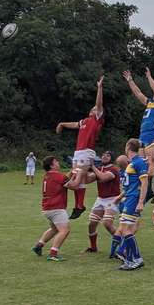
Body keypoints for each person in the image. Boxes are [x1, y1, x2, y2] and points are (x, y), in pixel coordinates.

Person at [55, 75, 105, 218]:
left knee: (76, 176)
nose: (95, 109)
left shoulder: (97, 120)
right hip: (78, 152)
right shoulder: (84, 121)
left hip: (86, 151)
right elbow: (75, 124)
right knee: (80, 178)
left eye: (97, 109)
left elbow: (99, 103)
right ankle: (79, 205)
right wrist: (63, 124)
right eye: (94, 108)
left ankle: (96, 176)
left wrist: (99, 88)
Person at [122, 67, 154, 191]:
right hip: (142, 135)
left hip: (152, 135)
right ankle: (146, 189)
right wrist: (130, 80)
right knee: (142, 163)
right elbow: (138, 93)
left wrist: (149, 76)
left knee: (152, 163)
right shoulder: (150, 103)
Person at [31, 156, 82, 261]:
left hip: (47, 208)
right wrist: (80, 173)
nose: (58, 162)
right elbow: (75, 186)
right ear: (52, 165)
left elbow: (63, 181)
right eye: (56, 161)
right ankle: (53, 253)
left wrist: (72, 172)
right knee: (65, 230)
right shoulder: (58, 176)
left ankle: (38, 246)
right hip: (56, 208)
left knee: (54, 229)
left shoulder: (49, 175)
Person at [114, 139, 149, 270]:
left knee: (126, 230)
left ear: (128, 147)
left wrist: (140, 202)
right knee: (124, 230)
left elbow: (144, 183)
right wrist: (120, 196)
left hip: (134, 199)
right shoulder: (133, 163)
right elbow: (130, 185)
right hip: (129, 198)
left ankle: (137, 259)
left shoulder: (139, 162)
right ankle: (129, 260)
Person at [84, 150, 120, 253]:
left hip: (112, 199)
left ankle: (124, 245)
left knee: (107, 224)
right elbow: (87, 180)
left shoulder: (113, 169)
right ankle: (93, 247)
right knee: (92, 224)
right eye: (103, 155)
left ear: (112, 158)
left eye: (108, 155)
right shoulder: (100, 169)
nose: (104, 156)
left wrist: (93, 167)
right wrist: (84, 169)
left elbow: (103, 177)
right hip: (101, 199)